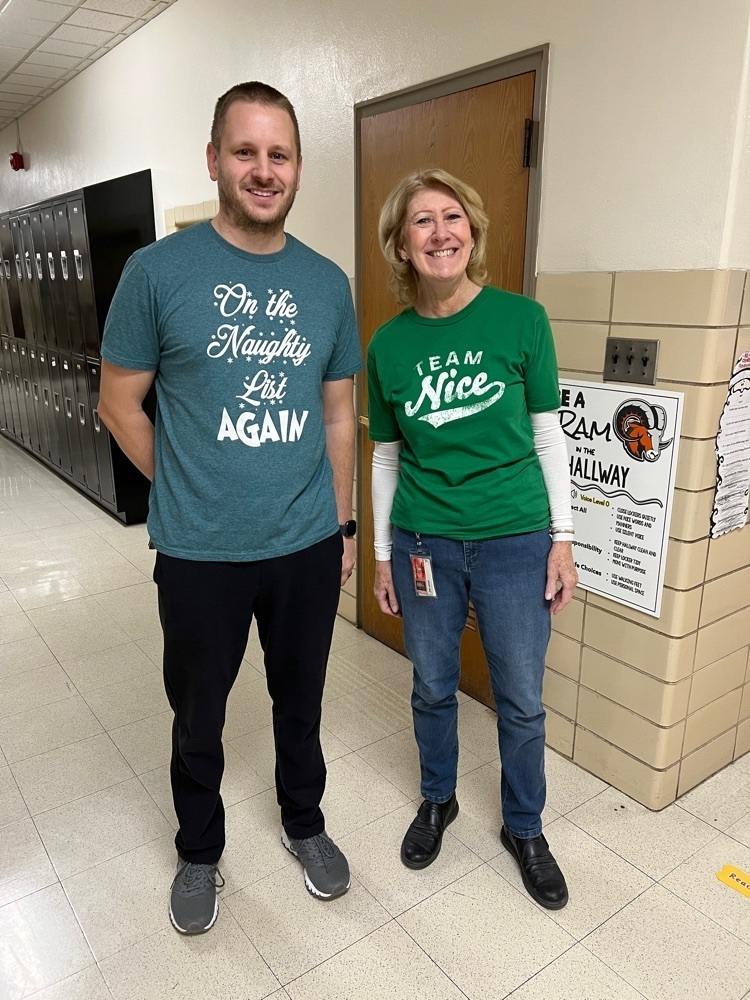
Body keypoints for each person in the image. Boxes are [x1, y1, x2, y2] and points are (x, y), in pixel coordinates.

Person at [99, 82, 363, 934]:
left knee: (302, 702)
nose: (262, 169)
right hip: (199, 550)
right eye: (244, 152)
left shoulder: (327, 284)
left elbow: (335, 417)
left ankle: (304, 823)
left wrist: (345, 525)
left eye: (278, 154)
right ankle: (199, 849)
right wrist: (182, 483)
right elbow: (117, 404)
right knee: (199, 713)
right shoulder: (157, 272)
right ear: (214, 161)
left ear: (296, 170)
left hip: (305, 543)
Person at [367, 168, 577, 910]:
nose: (440, 232)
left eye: (452, 217)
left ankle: (524, 825)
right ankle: (438, 801)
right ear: (400, 243)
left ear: (473, 232)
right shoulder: (388, 347)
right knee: (431, 684)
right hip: (425, 541)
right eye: (421, 221)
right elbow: (386, 456)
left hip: (517, 539)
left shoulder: (523, 321)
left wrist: (563, 538)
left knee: (520, 696)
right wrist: (385, 555)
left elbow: (550, 437)